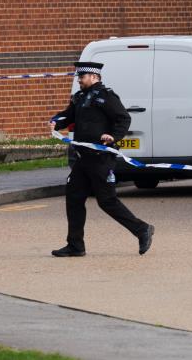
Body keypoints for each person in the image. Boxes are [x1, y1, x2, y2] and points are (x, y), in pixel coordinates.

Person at [49, 61, 154, 257]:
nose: (79, 80)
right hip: (83, 158)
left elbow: (123, 118)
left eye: (82, 77)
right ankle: (75, 245)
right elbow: (68, 116)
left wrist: (113, 136)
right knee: (74, 198)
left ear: (94, 77)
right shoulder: (79, 97)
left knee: (107, 201)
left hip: (101, 158)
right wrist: (56, 120)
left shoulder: (106, 96)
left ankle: (142, 229)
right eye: (79, 77)